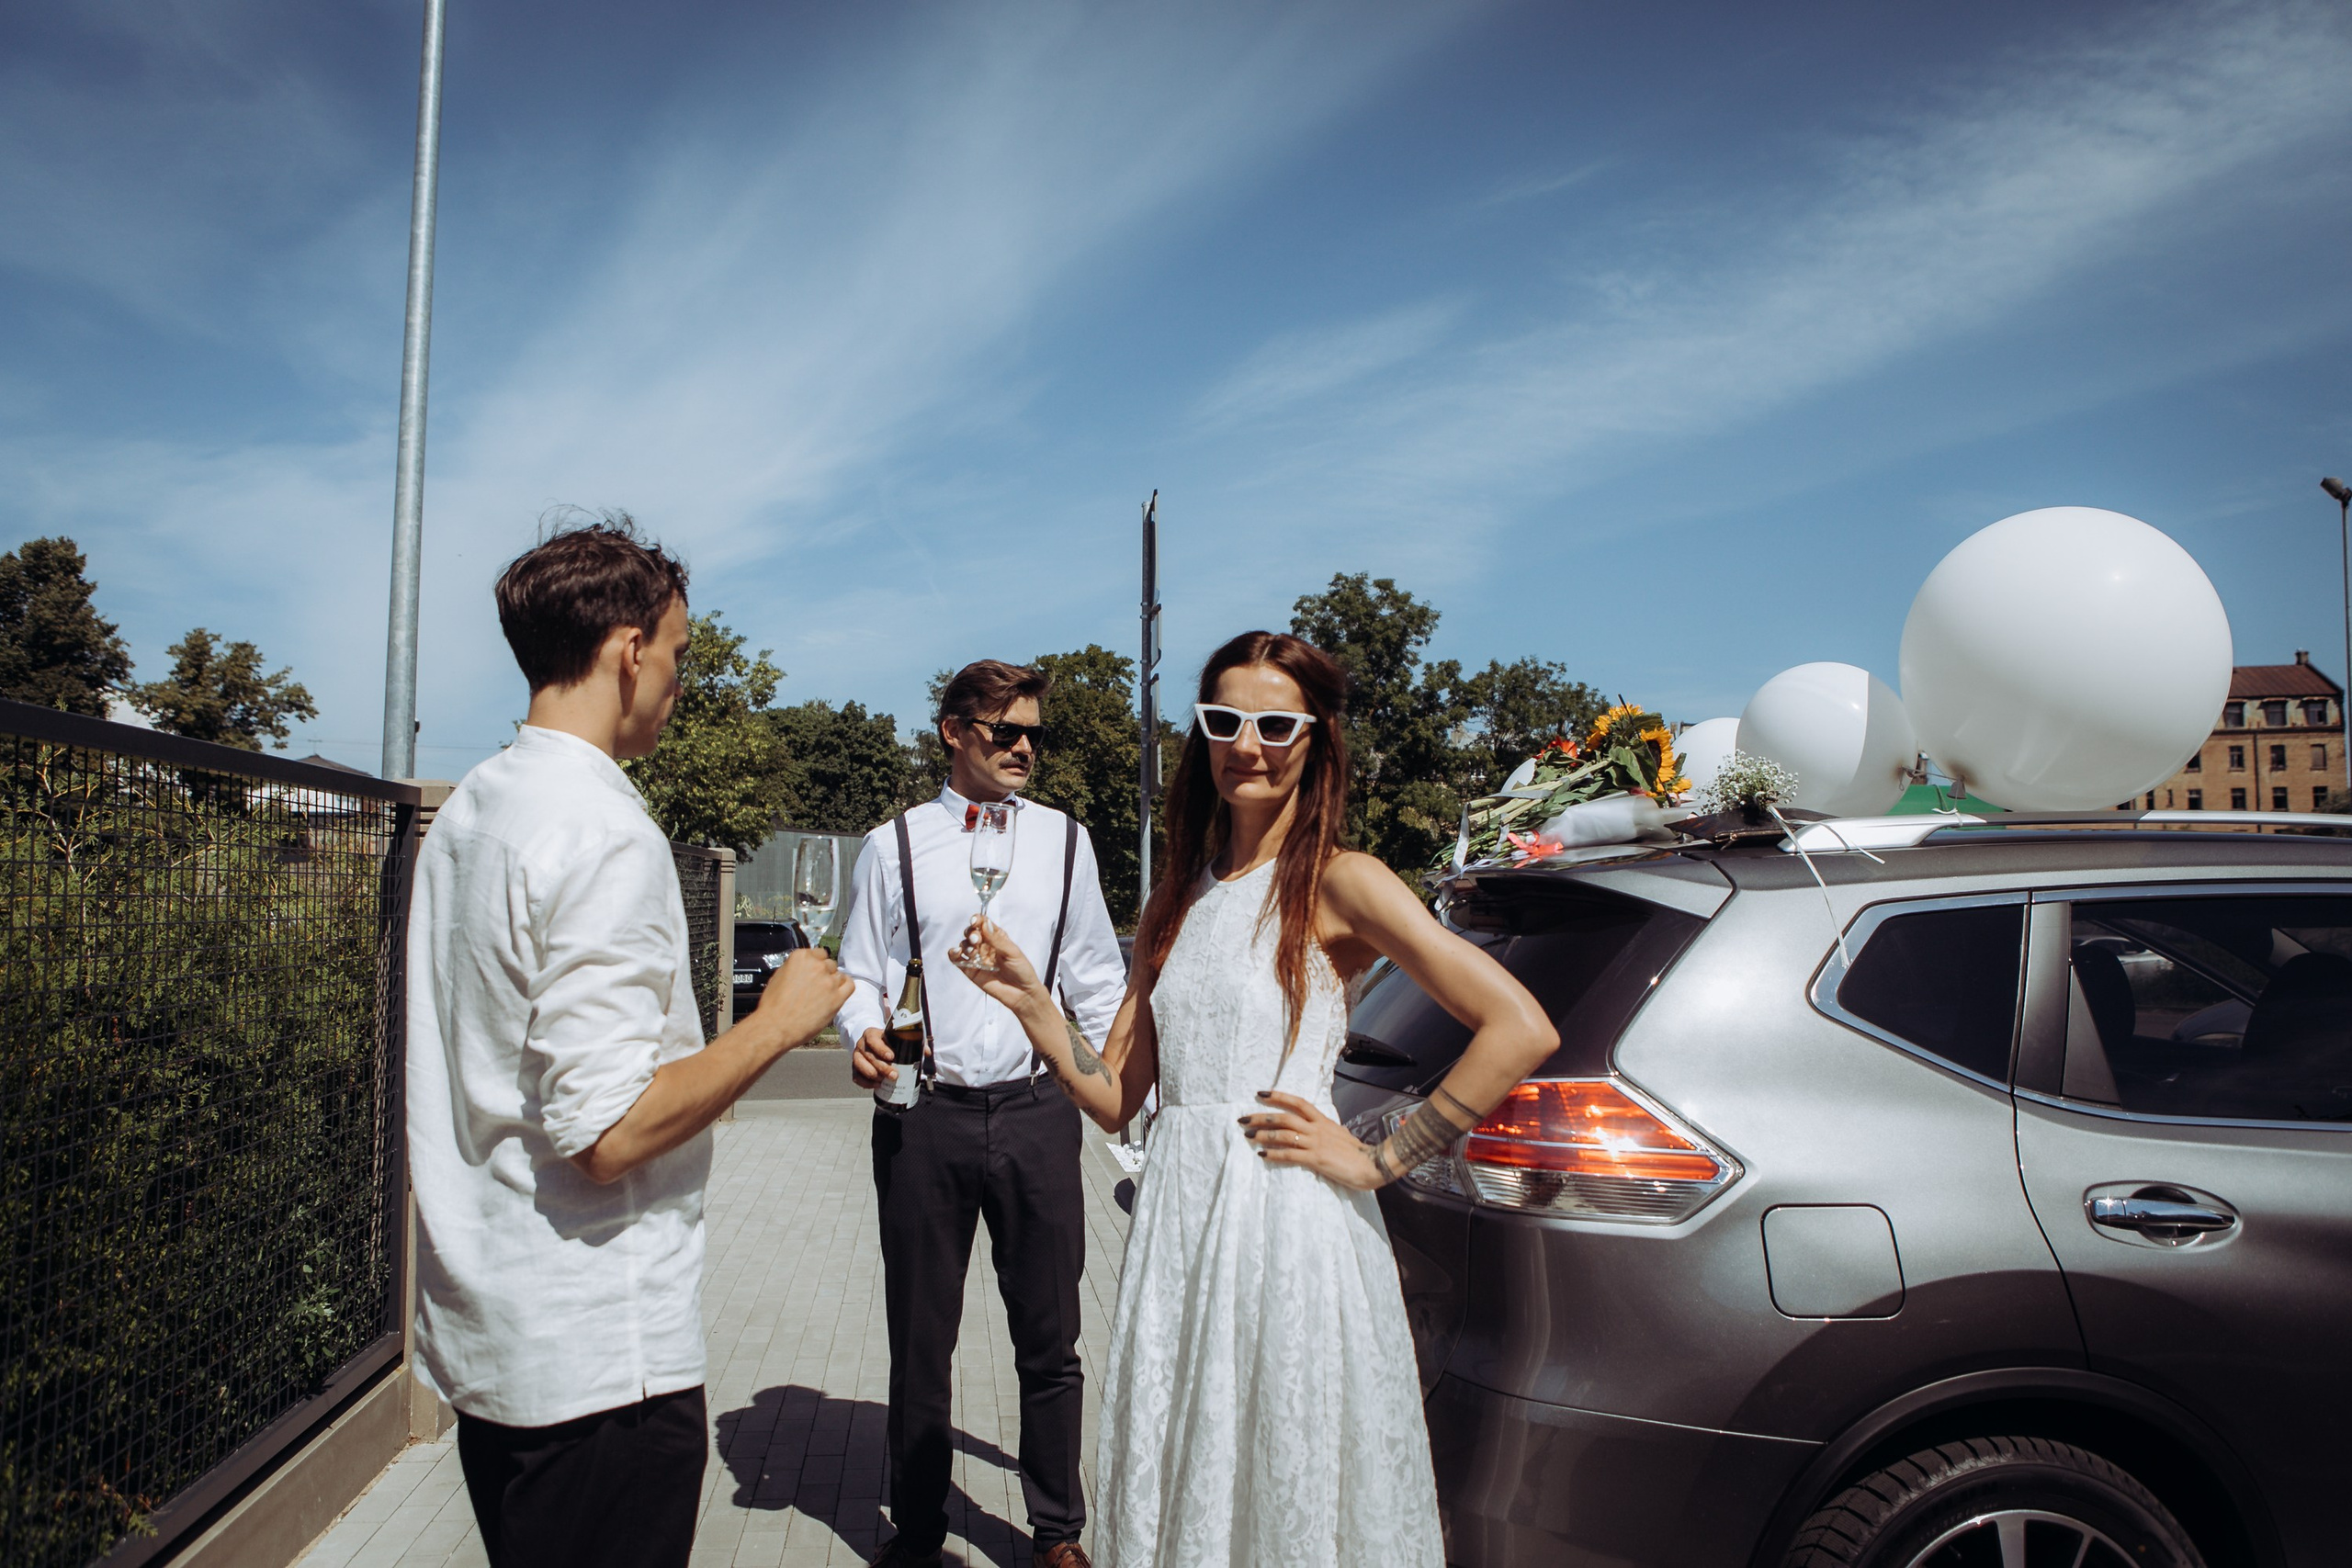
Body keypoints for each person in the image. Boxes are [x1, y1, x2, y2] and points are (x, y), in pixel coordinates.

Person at [949, 630, 1558, 1568]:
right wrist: (1034, 1001)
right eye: (1225, 720)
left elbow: (1516, 1025)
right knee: (1195, 1473)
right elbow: (1116, 1099)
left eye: (1276, 724)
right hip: (1181, 1228)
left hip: (1286, 1229)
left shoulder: (1342, 882)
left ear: (1314, 740)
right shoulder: (1178, 899)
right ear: (1201, 733)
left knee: (1288, 1481)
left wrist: (1384, 1154)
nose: (1249, 744)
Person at [407, 519, 853, 1568]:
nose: (680, 682)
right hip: (599, 1364)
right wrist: (777, 1027)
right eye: (681, 655)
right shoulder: (603, 829)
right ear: (627, 650)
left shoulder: (480, 805)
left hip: (495, 1342)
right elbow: (606, 1129)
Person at [837, 660, 1126, 1568]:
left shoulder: (1066, 843)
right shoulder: (895, 844)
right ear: (955, 731)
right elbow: (864, 974)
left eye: (1034, 732)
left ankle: (1056, 1534)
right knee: (922, 1341)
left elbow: (1098, 980)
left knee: (1052, 1339)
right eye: (1005, 731)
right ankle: (917, 1532)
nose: (1024, 747)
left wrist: (1123, 1091)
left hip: (1039, 1115)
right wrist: (861, 1032)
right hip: (925, 1119)